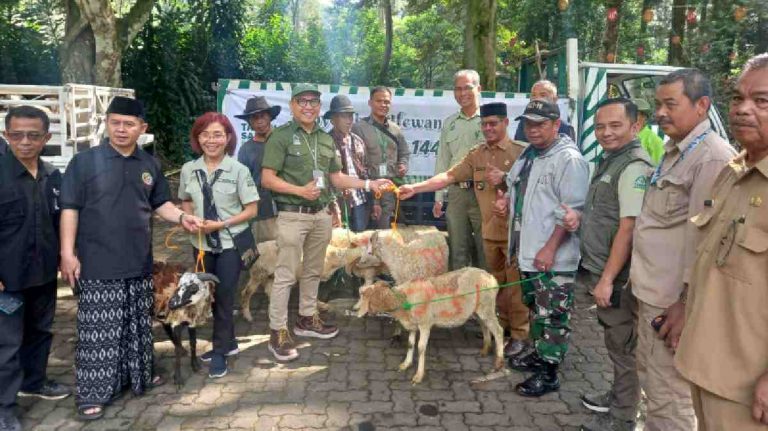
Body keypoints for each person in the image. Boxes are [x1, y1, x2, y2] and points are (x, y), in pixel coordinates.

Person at [59, 97, 201, 421]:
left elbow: (160, 204)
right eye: (115, 122)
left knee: (135, 325)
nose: (121, 129)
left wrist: (182, 218)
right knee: (99, 331)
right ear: (107, 123)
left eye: (129, 124)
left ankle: (137, 377)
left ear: (142, 128)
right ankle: (92, 393)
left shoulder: (148, 165)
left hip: (138, 261)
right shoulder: (84, 163)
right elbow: (69, 208)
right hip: (97, 262)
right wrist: (67, 253)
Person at [629, 68, 735, 430]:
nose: (660, 112)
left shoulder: (712, 158)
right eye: (658, 104)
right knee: (652, 385)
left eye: (670, 104)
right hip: (652, 295)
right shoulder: (676, 150)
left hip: (673, 306)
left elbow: (706, 243)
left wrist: (685, 305)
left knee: (670, 399)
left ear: (702, 105)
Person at [261, 84, 393, 362]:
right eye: (302, 101)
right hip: (292, 214)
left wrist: (370, 183)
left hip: (321, 215)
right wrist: (299, 191)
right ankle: (278, 331)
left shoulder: (324, 139)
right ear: (293, 105)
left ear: (319, 107)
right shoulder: (281, 136)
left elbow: (336, 178)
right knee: (286, 275)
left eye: (313, 102)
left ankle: (307, 319)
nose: (308, 106)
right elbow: (267, 178)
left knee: (312, 271)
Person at [674, 53, 768, 430]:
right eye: (737, 98)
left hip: (750, 387)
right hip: (706, 365)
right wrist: (683, 305)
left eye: (762, 101)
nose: (743, 110)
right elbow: (712, 259)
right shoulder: (733, 172)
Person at [399, 102, 530, 358]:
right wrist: (416, 188)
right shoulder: (476, 154)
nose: (489, 128)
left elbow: (535, 189)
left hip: (517, 234)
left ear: (506, 123)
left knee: (516, 286)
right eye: (485, 124)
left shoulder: (521, 153)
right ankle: (500, 328)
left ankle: (521, 336)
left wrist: (506, 180)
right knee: (497, 282)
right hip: (490, 232)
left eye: (494, 123)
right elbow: (448, 176)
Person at [570, 99, 652, 431]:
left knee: (622, 345)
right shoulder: (610, 161)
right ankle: (619, 397)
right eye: (600, 126)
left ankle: (623, 418)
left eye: (615, 125)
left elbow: (628, 228)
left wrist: (606, 280)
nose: (606, 132)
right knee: (615, 342)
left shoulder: (632, 166)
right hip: (604, 270)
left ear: (635, 126)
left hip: (617, 277)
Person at [501, 99, 589, 397]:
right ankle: (539, 355)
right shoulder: (530, 153)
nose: (533, 129)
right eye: (529, 123)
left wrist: (550, 249)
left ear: (555, 124)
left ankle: (549, 374)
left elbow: (571, 212)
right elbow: (517, 186)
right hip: (529, 252)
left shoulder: (569, 160)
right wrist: (505, 201)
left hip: (552, 256)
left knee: (552, 316)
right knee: (537, 310)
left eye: (540, 124)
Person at [0, 106, 69, 431]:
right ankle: (5, 406)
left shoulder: (53, 177)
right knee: (7, 343)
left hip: (43, 274)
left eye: (33, 135)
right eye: (17, 134)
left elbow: (62, 223)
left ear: (46, 138)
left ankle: (35, 381)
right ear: (6, 135)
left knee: (40, 332)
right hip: (7, 281)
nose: (25, 142)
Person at [178, 112, 259, 378]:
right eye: (205, 134)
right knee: (209, 295)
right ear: (197, 138)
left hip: (230, 244)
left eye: (217, 135)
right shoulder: (189, 169)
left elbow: (251, 210)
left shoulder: (238, 170)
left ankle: (220, 352)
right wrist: (188, 218)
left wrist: (221, 224)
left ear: (228, 139)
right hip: (201, 244)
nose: (211, 140)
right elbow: (186, 200)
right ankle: (230, 343)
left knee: (224, 297)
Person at [433, 69, 486, 271]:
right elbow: (443, 160)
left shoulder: (489, 121)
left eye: (467, 88)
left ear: (478, 89)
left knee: (485, 249)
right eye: (457, 89)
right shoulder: (450, 124)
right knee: (457, 250)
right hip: (456, 194)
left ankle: (486, 297)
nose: (462, 93)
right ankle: (459, 299)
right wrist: (439, 197)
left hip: (482, 193)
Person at [352, 86, 410, 229]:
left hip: (389, 187)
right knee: (362, 231)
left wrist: (403, 164)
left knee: (384, 230)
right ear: (370, 103)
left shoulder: (395, 129)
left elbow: (404, 152)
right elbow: (353, 159)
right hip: (366, 188)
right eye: (379, 101)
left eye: (387, 102)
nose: (383, 105)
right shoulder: (358, 128)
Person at [236, 96, 281, 243]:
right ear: (249, 122)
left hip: (290, 209)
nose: (260, 121)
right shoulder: (246, 150)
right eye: (254, 118)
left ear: (270, 116)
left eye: (262, 116)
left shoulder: (284, 142)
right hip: (263, 211)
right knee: (267, 256)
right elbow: (244, 185)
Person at [324, 95, 370, 232]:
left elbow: (365, 170)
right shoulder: (325, 142)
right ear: (332, 119)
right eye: (344, 116)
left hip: (360, 200)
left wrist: (374, 202)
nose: (349, 120)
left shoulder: (358, 141)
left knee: (360, 241)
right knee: (339, 244)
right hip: (338, 202)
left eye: (350, 116)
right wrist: (332, 202)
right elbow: (322, 176)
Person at [631, 98, 665, 165]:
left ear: (644, 117)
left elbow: (660, 168)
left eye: (635, 114)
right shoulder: (621, 137)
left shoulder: (654, 140)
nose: (630, 118)